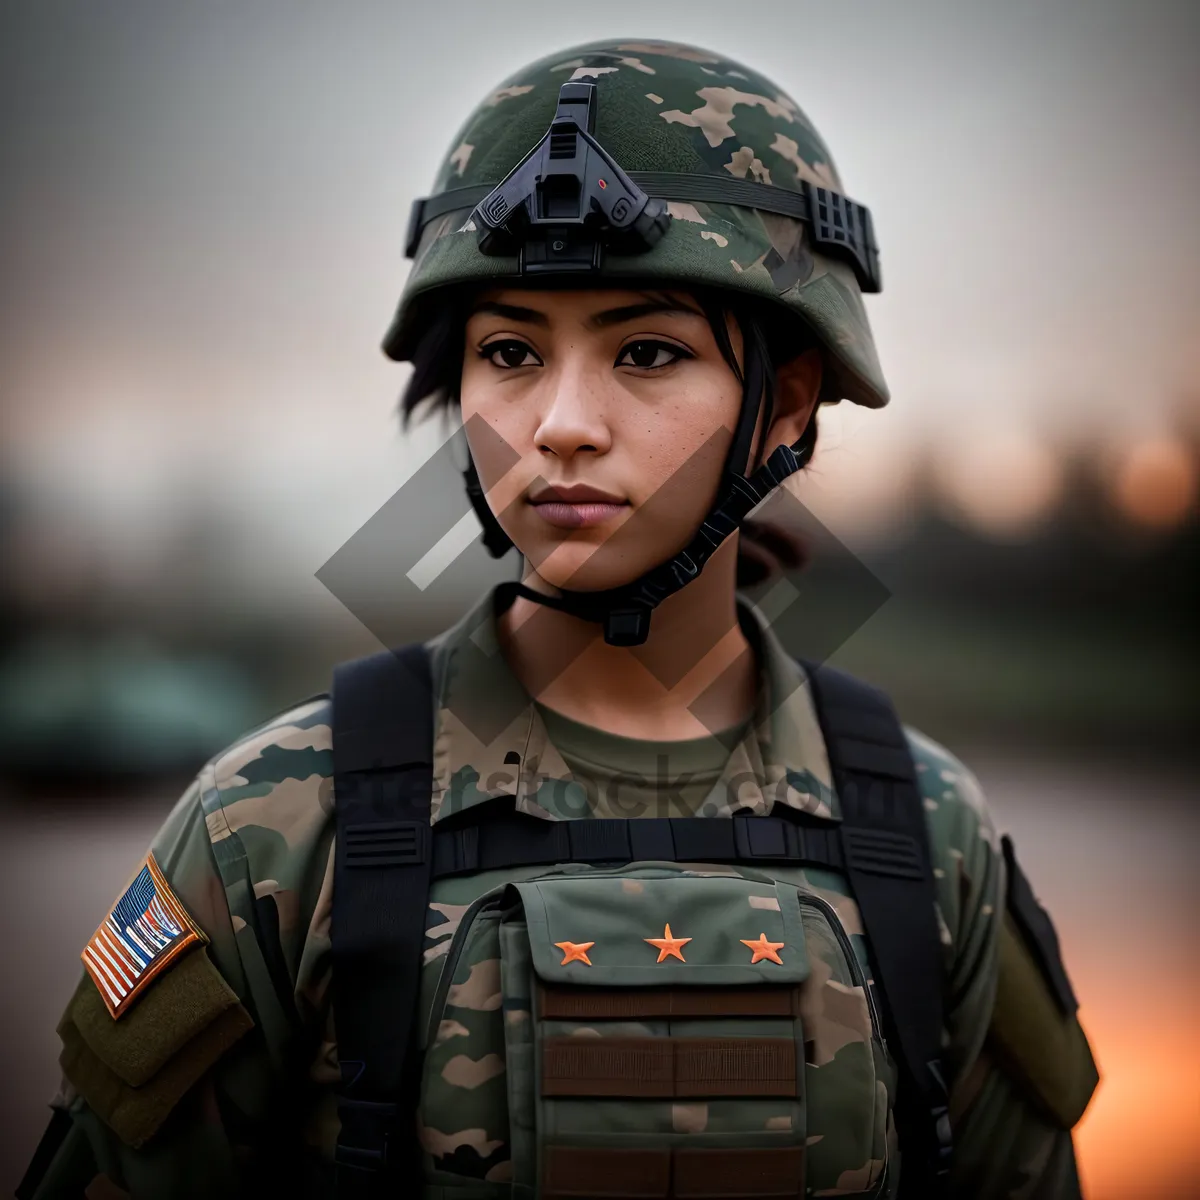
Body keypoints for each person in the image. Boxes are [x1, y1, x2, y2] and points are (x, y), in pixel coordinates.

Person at [19, 38, 1098, 1200]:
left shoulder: (925, 839)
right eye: (510, 352)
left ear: (784, 405)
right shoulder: (274, 827)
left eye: (647, 351)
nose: (563, 424)